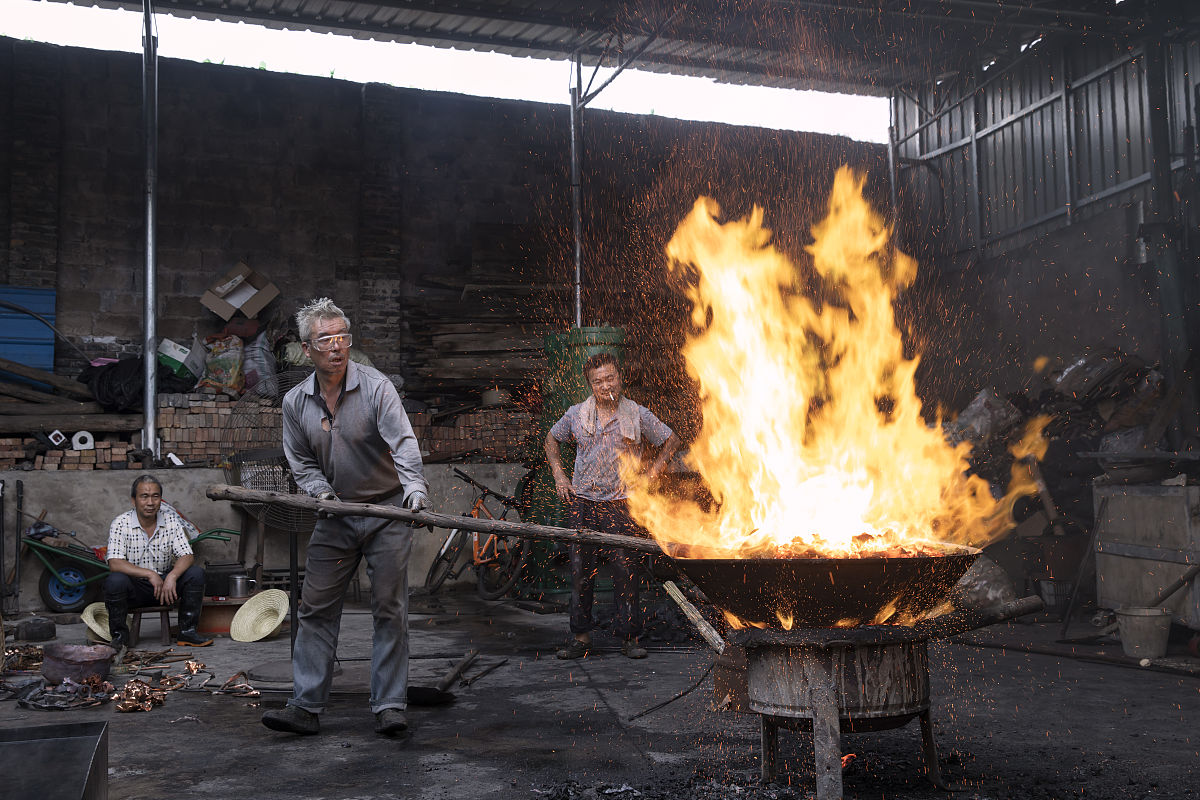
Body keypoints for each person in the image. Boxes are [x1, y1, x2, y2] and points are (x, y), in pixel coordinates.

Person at [262, 297, 429, 738]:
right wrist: (321, 493)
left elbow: (404, 443)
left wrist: (414, 490)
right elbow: (299, 460)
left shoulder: (376, 388)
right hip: (334, 515)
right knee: (314, 608)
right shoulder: (296, 402)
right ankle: (305, 705)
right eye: (326, 340)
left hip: (386, 510)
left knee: (389, 608)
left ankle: (390, 705)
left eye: (343, 338)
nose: (337, 347)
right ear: (305, 348)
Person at [545, 352, 681, 660]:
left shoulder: (637, 414)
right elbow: (551, 440)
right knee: (581, 571)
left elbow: (671, 441)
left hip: (622, 503)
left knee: (626, 570)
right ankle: (580, 637)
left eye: (610, 378)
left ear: (620, 378)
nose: (606, 385)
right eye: (598, 381)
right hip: (583, 502)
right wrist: (559, 475)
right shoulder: (576, 415)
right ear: (590, 385)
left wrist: (652, 474)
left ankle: (629, 638)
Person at [103, 474, 212, 653]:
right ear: (134, 500)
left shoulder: (171, 521)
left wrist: (172, 576)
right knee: (115, 580)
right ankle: (120, 637)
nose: (150, 502)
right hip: (135, 588)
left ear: (160, 500)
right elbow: (114, 563)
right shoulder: (121, 523)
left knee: (195, 573)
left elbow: (187, 555)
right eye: (144, 496)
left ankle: (187, 632)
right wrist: (149, 574)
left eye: (155, 496)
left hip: (166, 588)